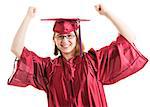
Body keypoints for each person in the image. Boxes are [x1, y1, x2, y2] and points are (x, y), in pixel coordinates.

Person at [8, 3, 148, 107]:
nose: (65, 41)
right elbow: (16, 49)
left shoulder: (94, 62)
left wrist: (107, 13)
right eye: (60, 37)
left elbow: (129, 38)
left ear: (77, 38)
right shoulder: (48, 69)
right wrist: (28, 17)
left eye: (69, 36)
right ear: (54, 40)